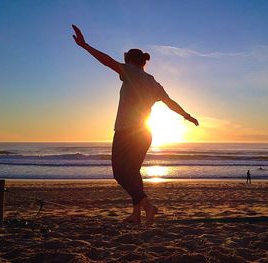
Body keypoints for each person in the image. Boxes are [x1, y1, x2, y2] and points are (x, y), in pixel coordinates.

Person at [72, 25, 199, 224]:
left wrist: (85, 45)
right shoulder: (153, 82)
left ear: (128, 59)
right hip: (145, 133)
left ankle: (148, 207)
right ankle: (136, 214)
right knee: (133, 172)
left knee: (120, 174)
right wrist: (187, 116)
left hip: (126, 132)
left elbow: (107, 61)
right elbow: (170, 102)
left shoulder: (129, 71)